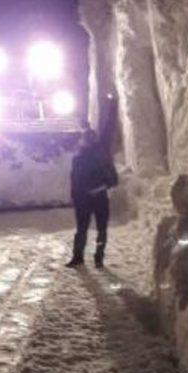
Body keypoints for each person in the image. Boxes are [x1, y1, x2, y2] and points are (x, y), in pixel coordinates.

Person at [65, 93, 119, 269]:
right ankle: (79, 257)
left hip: (97, 196)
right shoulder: (79, 157)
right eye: (87, 138)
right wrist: (75, 196)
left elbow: (109, 127)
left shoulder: (98, 150)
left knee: (99, 229)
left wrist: (113, 105)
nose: (89, 140)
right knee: (83, 229)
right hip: (85, 199)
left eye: (91, 137)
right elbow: (74, 179)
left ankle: (97, 257)